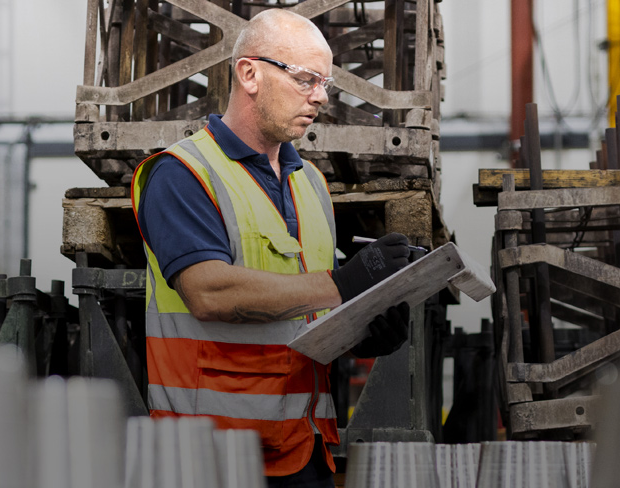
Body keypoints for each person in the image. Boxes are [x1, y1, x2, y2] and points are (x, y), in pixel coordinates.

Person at [130, 9, 415, 488]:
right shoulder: (182, 173)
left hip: (305, 448)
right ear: (249, 74)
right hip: (213, 457)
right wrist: (343, 283)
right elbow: (208, 292)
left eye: (325, 83)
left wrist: (362, 333)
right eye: (305, 79)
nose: (320, 96)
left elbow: (305, 313)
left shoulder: (311, 183)